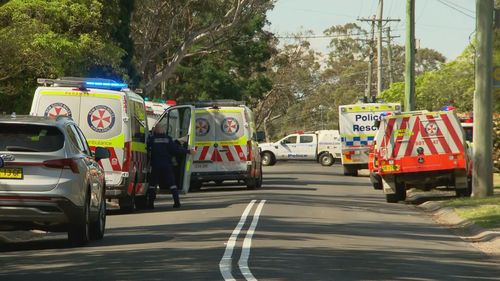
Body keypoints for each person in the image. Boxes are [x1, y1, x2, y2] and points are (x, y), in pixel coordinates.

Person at [147, 126, 194, 208]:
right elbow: (176, 149)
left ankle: (151, 204)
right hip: (166, 165)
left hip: (155, 165)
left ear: (155, 131)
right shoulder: (168, 139)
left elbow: (147, 149)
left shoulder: (151, 139)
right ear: (163, 131)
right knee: (172, 184)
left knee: (152, 184)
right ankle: (177, 202)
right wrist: (188, 151)